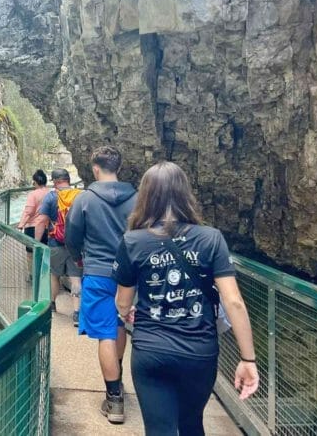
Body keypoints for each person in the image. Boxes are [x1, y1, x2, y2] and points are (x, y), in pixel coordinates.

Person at [113, 161, 259, 435]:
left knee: (159, 429)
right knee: (191, 424)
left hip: (151, 350)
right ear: (185, 194)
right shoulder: (211, 239)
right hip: (199, 352)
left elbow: (123, 302)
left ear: (145, 196)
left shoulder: (132, 241)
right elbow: (233, 301)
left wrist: (127, 311)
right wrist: (247, 359)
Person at [65, 146, 137, 424]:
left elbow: (72, 237)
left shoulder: (85, 200)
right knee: (119, 325)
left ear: (95, 168)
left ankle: (114, 399)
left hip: (97, 272)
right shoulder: (138, 199)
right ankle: (117, 377)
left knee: (106, 332)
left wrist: (78, 260)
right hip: (130, 275)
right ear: (118, 167)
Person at [34, 168, 82, 318]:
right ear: (68, 179)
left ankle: (53, 304)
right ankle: (77, 312)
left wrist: (36, 242)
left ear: (54, 182)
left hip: (56, 242)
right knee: (76, 278)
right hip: (77, 245)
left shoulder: (51, 197)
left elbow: (42, 221)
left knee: (54, 275)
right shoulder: (80, 196)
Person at [16, 169, 50, 282]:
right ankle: (45, 275)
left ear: (35, 182)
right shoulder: (50, 192)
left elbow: (29, 211)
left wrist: (21, 225)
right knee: (45, 251)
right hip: (47, 226)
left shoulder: (33, 194)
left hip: (32, 227)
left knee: (30, 253)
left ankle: (32, 276)